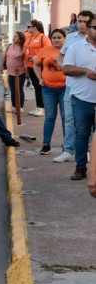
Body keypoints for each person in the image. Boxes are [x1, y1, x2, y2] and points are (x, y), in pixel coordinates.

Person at [61, 19, 96, 181]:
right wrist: (85, 71)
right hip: (82, 99)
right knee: (82, 134)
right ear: (88, 29)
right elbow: (66, 68)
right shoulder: (76, 47)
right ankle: (80, 168)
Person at [33, 29, 68, 155]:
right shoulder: (45, 50)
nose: (56, 40)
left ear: (65, 38)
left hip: (65, 88)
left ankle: (67, 145)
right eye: (54, 37)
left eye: (59, 37)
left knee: (66, 117)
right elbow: (36, 64)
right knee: (50, 117)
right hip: (48, 89)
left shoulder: (69, 50)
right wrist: (39, 78)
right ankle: (46, 144)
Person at [24, 21, 47, 116]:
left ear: (35, 27)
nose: (27, 28)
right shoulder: (29, 37)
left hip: (39, 66)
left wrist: (38, 56)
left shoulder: (43, 37)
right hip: (30, 66)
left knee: (39, 87)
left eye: (29, 26)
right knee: (36, 87)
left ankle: (42, 107)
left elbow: (48, 49)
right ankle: (38, 107)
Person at [2, 32, 27, 116]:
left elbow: (26, 54)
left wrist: (21, 53)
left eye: (16, 36)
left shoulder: (23, 47)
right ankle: (14, 105)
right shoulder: (9, 46)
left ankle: (20, 106)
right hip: (10, 72)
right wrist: (2, 65)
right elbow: (5, 56)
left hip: (20, 72)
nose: (13, 38)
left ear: (20, 39)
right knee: (12, 89)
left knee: (19, 89)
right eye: (14, 36)